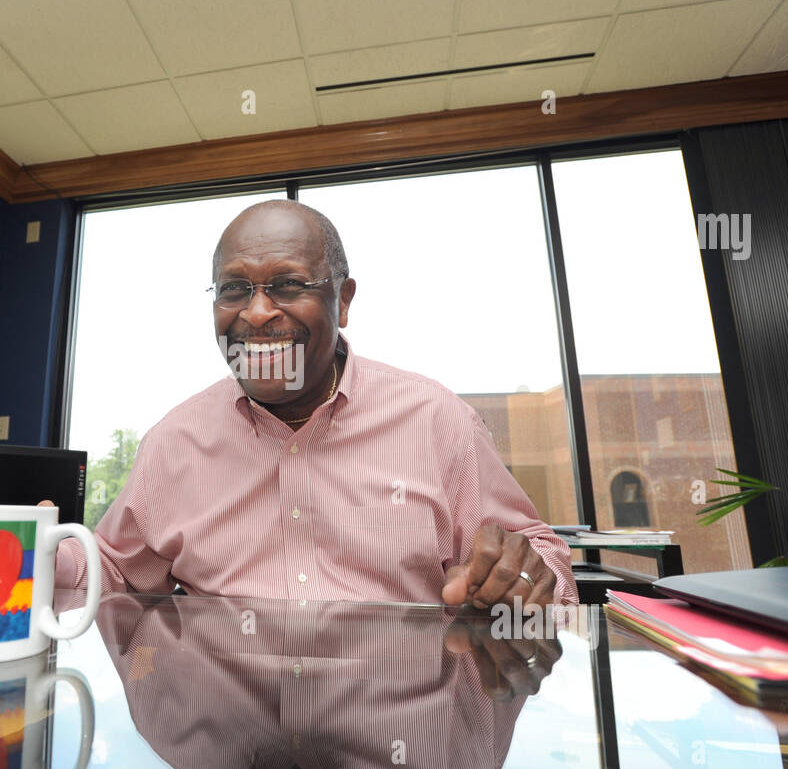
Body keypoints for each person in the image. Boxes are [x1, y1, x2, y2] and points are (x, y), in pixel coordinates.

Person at [52, 199, 575, 608]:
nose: (256, 313)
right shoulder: (174, 441)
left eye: (288, 285)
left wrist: (521, 576)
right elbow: (117, 569)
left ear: (342, 300)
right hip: (230, 729)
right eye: (234, 288)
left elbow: (537, 555)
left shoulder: (436, 420)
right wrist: (45, 555)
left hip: (394, 732)